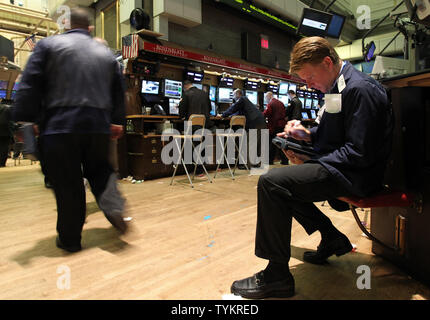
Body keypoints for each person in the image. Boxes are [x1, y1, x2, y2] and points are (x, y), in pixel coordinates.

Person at [230, 36, 393, 299]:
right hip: (344, 165)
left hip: (358, 174)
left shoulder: (359, 89)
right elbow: (330, 134)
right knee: (283, 182)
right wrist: (307, 137)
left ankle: (277, 276)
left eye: (309, 77)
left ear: (328, 62)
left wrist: (311, 160)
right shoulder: (336, 89)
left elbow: (359, 153)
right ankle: (331, 237)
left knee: (272, 183)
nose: (307, 84)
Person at [12, 7, 128, 253]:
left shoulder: (47, 46)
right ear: (89, 28)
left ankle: (70, 239)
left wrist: (24, 118)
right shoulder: (106, 54)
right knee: (101, 172)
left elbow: (30, 83)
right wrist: (118, 121)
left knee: (68, 184)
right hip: (97, 126)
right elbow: (119, 90)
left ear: (65, 25)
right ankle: (114, 208)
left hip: (59, 126)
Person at [221, 89, 267, 167]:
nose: (233, 97)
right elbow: (238, 112)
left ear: (238, 94)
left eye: (234, 95)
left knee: (251, 143)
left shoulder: (242, 99)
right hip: (261, 121)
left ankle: (249, 165)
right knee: (258, 143)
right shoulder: (246, 101)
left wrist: (223, 115)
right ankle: (257, 163)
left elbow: (233, 109)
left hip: (255, 122)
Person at [263, 92, 288, 165]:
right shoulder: (281, 103)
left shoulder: (271, 103)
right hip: (282, 125)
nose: (265, 100)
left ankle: (270, 161)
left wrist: (260, 116)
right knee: (281, 143)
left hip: (274, 126)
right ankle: (285, 160)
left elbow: (266, 113)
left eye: (266, 98)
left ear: (269, 96)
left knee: (272, 144)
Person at [0, 102, 13, 167]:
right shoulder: (7, 108)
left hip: (4, 130)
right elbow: (11, 120)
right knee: (4, 147)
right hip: (5, 131)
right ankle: (1, 163)